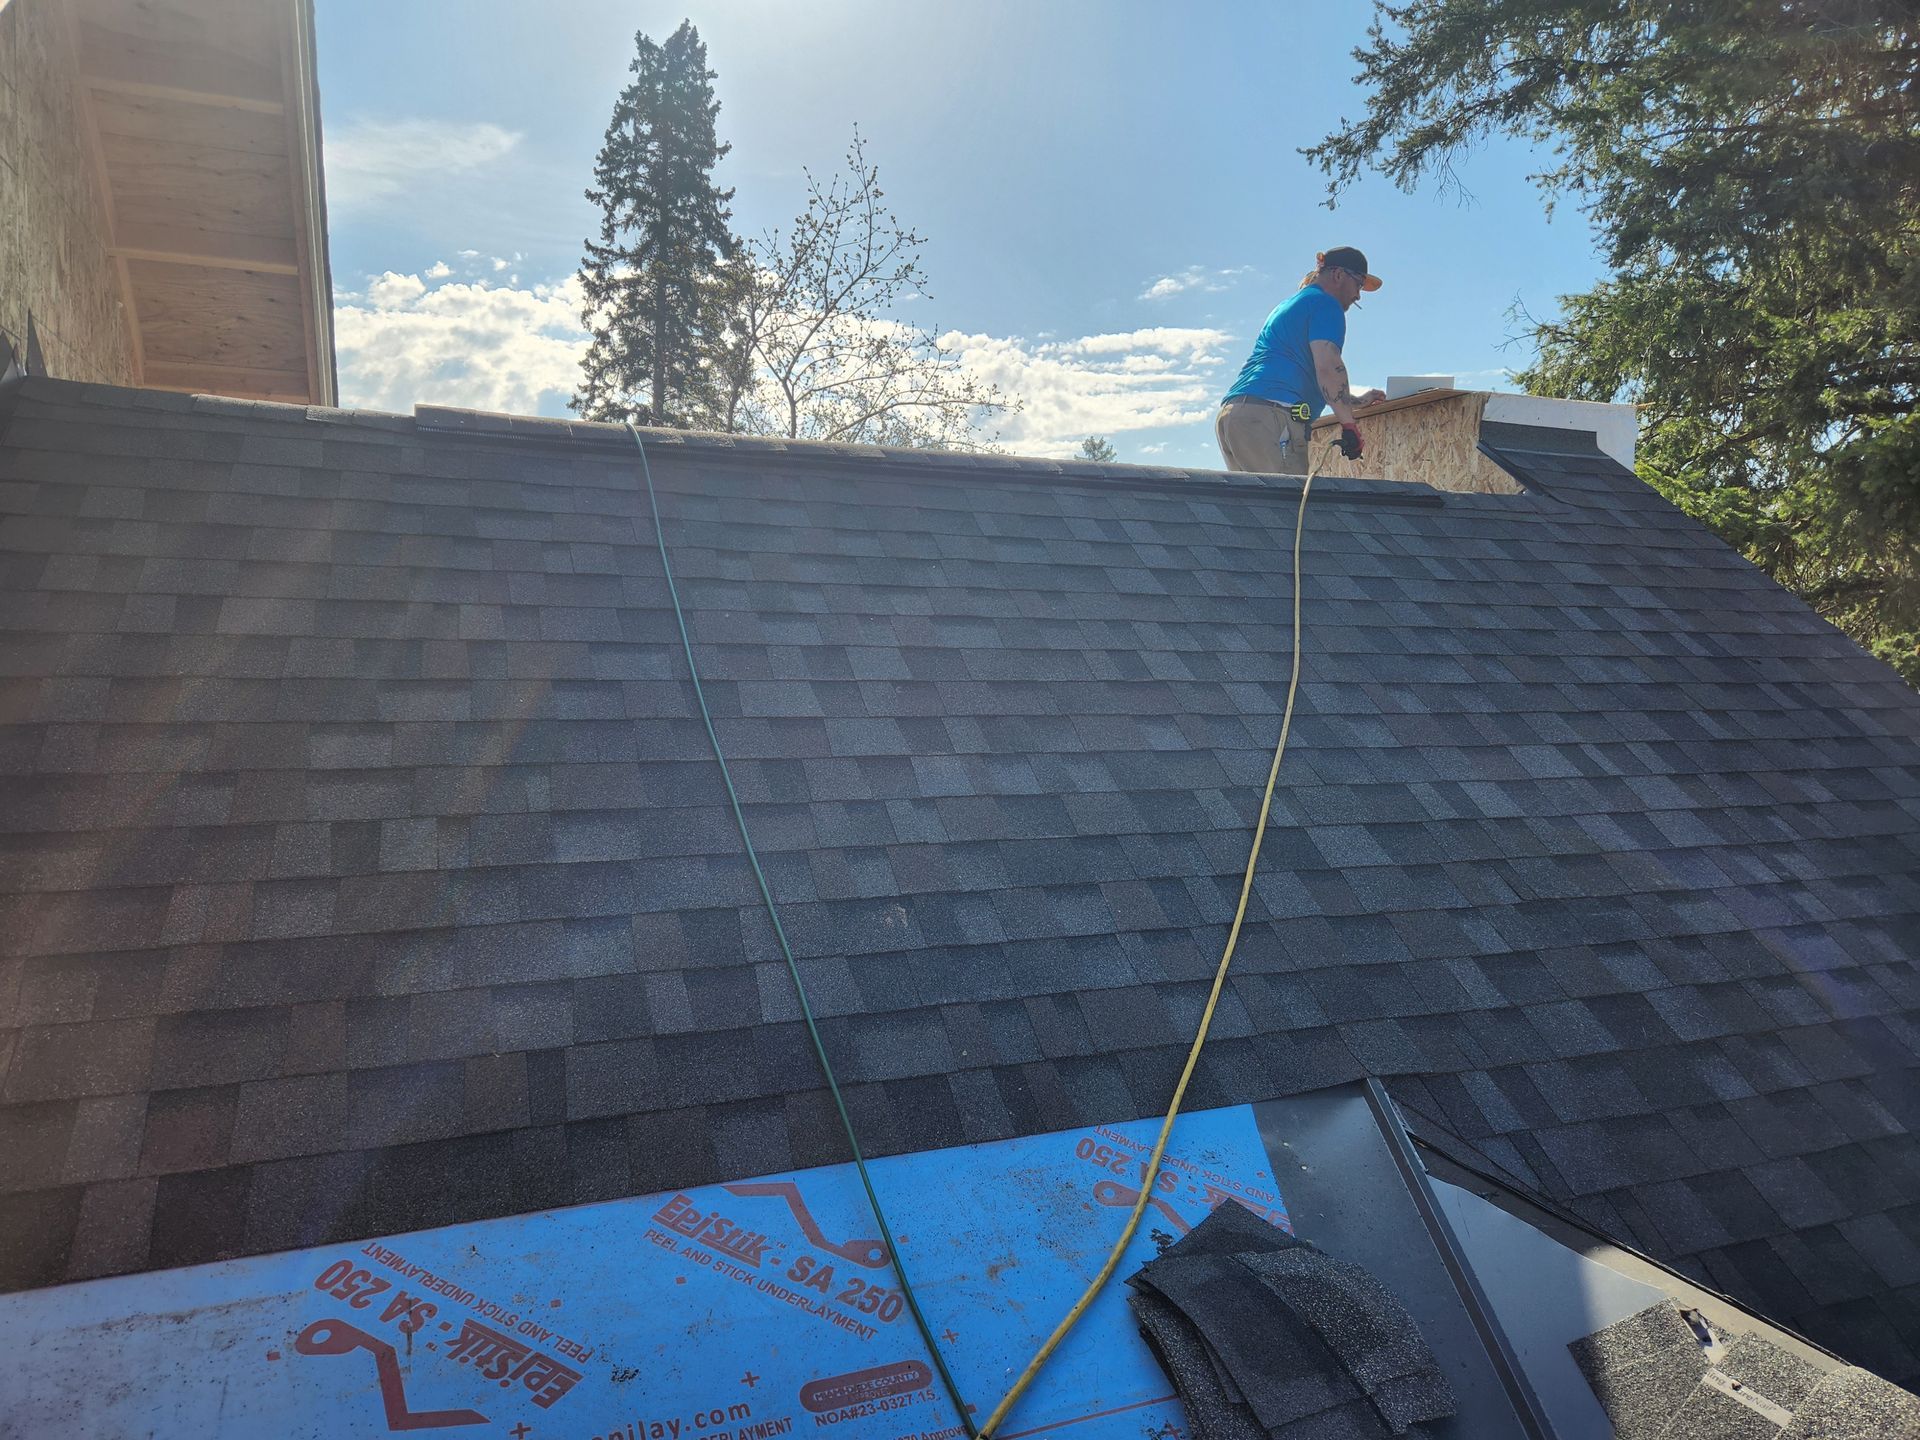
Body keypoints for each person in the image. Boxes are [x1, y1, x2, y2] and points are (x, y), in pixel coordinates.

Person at [1215, 247, 1386, 475]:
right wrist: (1348, 425)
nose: (1358, 295)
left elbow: (1307, 373)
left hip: (1236, 415)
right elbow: (1328, 366)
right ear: (1338, 275)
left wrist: (1355, 401)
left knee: (1258, 507)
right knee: (1287, 507)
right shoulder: (1327, 304)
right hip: (1271, 417)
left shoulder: (1293, 304)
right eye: (1358, 283)